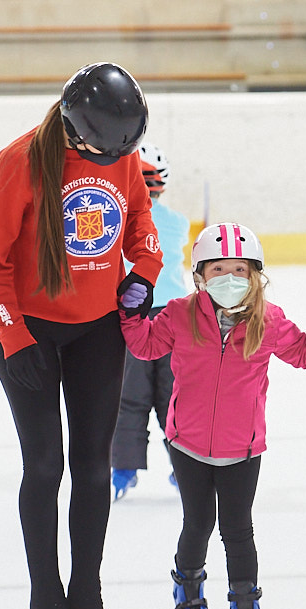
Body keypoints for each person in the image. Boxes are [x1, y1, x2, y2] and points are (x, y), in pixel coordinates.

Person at [0, 62, 160, 609]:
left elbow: (139, 227)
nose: (112, 161)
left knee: (92, 466)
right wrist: (13, 333)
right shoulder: (19, 162)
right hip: (31, 335)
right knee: (45, 465)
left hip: (98, 334)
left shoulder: (120, 157)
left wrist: (143, 276)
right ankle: (46, 604)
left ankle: (89, 601)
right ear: (77, 132)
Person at [119, 222, 306, 609]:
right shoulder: (179, 314)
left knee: (237, 529)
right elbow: (145, 347)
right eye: (219, 269)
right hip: (187, 443)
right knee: (198, 523)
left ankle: (246, 608)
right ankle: (187, 589)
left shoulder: (268, 320)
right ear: (200, 276)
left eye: (241, 270)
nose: (231, 279)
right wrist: (132, 314)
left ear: (255, 276)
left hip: (243, 449)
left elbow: (302, 352)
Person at [110, 142, 191, 500]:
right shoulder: (178, 223)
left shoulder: (118, 220)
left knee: (129, 396)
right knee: (175, 396)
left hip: (132, 316)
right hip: (175, 317)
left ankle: (123, 470)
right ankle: (185, 466)